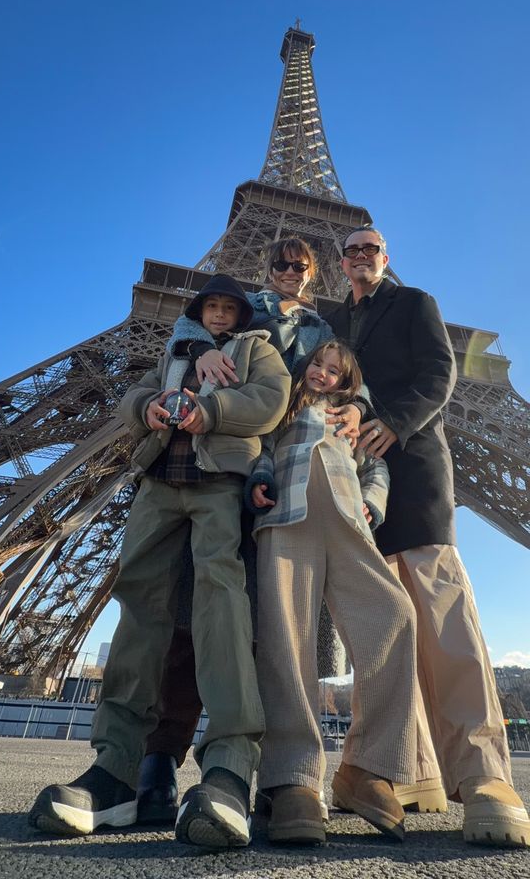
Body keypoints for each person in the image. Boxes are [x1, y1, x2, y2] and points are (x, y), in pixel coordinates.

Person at [28, 274, 291, 849]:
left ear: (242, 316)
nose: (218, 314)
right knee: (138, 606)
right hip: (158, 481)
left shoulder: (259, 350)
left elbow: (271, 403)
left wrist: (209, 410)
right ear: (198, 311)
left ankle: (228, 768)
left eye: (228, 308)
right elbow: (135, 395)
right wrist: (148, 407)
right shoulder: (174, 352)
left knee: (222, 606)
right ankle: (115, 768)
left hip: (218, 481)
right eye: (210, 306)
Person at [137, 238, 365, 823]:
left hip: (284, 472)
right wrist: (197, 347)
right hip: (222, 460)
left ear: (315, 274)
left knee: (276, 625)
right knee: (192, 610)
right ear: (266, 268)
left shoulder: (322, 327)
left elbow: (346, 372)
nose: (289, 272)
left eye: (300, 266)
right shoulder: (241, 310)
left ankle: (277, 774)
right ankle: (159, 757)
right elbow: (188, 333)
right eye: (281, 263)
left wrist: (359, 405)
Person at [325, 226, 530, 849]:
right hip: (353, 477)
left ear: (385, 258)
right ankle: (407, 770)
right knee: (380, 631)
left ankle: (485, 774)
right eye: (352, 249)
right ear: (340, 262)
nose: (361, 256)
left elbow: (441, 373)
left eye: (371, 248)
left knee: (444, 617)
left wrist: (393, 421)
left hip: (413, 469)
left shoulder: (414, 302)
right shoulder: (329, 321)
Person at [248, 340, 418, 845]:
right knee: (286, 641)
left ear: (347, 382)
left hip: (348, 520)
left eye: (334, 371)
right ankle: (293, 777)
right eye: (317, 365)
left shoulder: (350, 417)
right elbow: (261, 448)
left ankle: (367, 767)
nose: (322, 374)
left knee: (396, 615)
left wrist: (372, 502)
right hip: (287, 517)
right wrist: (259, 478)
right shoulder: (284, 406)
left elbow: (377, 466)